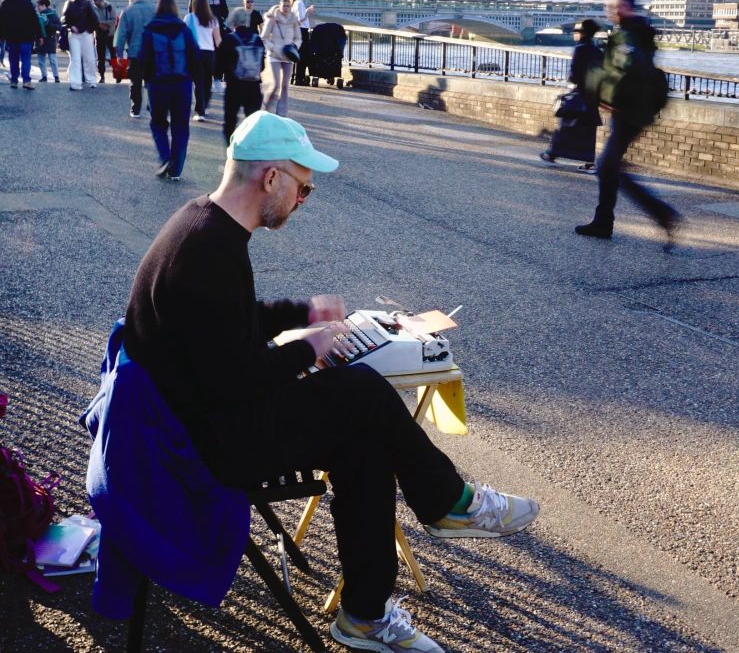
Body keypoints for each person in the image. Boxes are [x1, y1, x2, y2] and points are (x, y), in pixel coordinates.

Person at [122, 109, 540, 653]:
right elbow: (237, 382)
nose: (303, 199)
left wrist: (305, 312)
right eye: (303, 187)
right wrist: (309, 348)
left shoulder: (202, 224)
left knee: (363, 437)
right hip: (203, 445)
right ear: (271, 177)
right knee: (362, 389)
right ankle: (447, 502)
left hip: (198, 418)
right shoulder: (208, 252)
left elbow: (228, 324)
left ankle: (365, 613)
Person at [576, 0, 679, 248]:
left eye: (614, 6)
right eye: (608, 6)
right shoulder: (633, 32)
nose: (610, 11)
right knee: (609, 167)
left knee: (608, 166)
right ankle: (604, 221)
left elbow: (627, 70)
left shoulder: (628, 36)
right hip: (633, 109)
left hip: (629, 112)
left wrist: (599, 86)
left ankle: (661, 214)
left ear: (626, 7)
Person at [138, 0, 199, 181]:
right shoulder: (184, 30)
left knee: (158, 123)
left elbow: (142, 60)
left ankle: (165, 157)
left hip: (158, 84)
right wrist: (196, 82)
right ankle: (176, 170)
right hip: (182, 84)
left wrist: (146, 81)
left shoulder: (149, 31)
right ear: (174, 9)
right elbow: (195, 57)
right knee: (181, 126)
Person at [540, 19, 603, 170]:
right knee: (587, 131)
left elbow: (574, 75)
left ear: (583, 33)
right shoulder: (597, 51)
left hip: (579, 94)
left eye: (577, 31)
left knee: (566, 126)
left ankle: (552, 154)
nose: (574, 34)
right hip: (592, 96)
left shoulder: (580, 49)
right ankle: (589, 161)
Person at [219, 7, 265, 144]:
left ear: (233, 21)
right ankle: (249, 154)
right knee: (252, 124)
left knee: (230, 122)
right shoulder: (257, 39)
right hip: (254, 87)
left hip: (234, 87)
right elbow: (262, 66)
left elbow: (220, 64)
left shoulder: (229, 40)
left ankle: (231, 151)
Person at [114, 0, 156, 118]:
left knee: (135, 80)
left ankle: (135, 108)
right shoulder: (154, 9)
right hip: (152, 50)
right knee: (152, 79)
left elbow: (121, 34)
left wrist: (119, 53)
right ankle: (153, 104)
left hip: (135, 51)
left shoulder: (127, 11)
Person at [184, 0, 221, 122]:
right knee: (207, 82)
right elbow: (218, 40)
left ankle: (200, 112)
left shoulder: (189, 18)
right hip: (210, 53)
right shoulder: (213, 19)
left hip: (196, 52)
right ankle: (204, 106)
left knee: (198, 82)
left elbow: (184, 37)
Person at [261, 0, 301, 115]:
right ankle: (265, 108)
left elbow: (298, 38)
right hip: (274, 55)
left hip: (288, 56)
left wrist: (294, 47)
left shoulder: (293, 21)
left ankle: (282, 113)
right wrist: (273, 48)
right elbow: (264, 38)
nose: (286, 8)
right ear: (280, 6)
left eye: (288, 6)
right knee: (276, 84)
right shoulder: (273, 20)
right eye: (284, 5)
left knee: (285, 86)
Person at [0, 0, 41, 89]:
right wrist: (39, 35)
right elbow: (34, 20)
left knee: (13, 59)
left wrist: (2, 36)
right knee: (26, 59)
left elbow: (1, 21)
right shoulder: (27, 2)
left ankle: (14, 80)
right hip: (26, 36)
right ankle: (26, 81)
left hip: (11, 36)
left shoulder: (5, 3)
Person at [62, 0, 100, 91]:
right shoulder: (72, 3)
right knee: (77, 59)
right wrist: (71, 27)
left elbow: (95, 20)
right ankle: (77, 82)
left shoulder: (86, 3)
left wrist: (86, 30)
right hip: (78, 34)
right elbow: (64, 20)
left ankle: (89, 80)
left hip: (83, 34)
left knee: (89, 59)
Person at [291, 0, 314, 86]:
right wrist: (308, 12)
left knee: (301, 55)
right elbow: (301, 20)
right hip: (301, 31)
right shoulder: (299, 3)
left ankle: (297, 77)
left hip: (298, 31)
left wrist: (306, 11)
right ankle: (299, 79)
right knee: (304, 56)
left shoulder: (297, 2)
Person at [93, 0, 117, 83]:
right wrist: (99, 25)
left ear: (101, 0)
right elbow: (93, 21)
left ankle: (116, 74)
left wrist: (101, 23)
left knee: (113, 55)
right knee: (100, 57)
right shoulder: (93, 9)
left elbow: (113, 20)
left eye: (96, 1)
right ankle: (102, 76)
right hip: (99, 36)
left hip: (110, 35)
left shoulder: (109, 7)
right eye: (94, 1)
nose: (95, 3)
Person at [35, 0, 60, 82]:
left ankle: (51, 76)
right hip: (46, 39)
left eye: (38, 6)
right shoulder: (52, 14)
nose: (37, 8)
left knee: (47, 59)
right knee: (48, 60)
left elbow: (58, 27)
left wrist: (47, 23)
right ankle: (52, 77)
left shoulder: (52, 14)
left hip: (49, 39)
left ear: (43, 5)